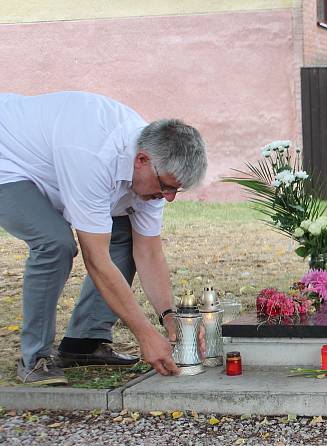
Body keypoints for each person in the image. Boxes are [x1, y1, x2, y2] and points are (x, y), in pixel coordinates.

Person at [0, 91, 207, 385]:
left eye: (177, 190)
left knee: (124, 235)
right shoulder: (95, 154)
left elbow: (148, 252)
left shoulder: (154, 169)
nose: (169, 198)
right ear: (142, 159)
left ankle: (83, 343)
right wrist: (145, 334)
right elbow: (96, 259)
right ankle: (34, 358)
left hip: (53, 164)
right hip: (8, 159)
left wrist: (169, 317)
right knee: (55, 243)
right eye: (166, 187)